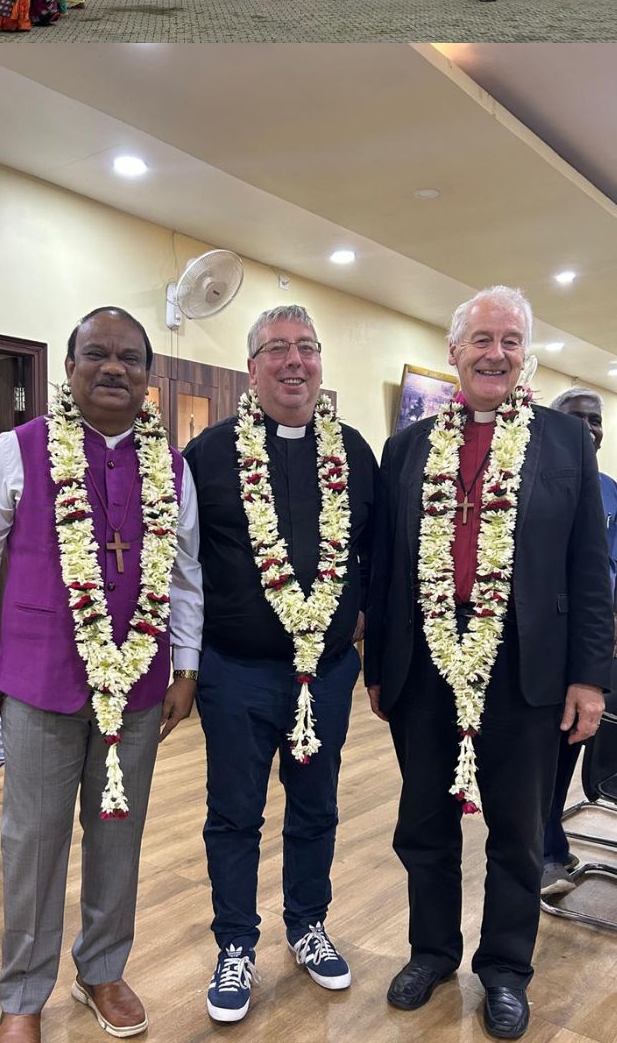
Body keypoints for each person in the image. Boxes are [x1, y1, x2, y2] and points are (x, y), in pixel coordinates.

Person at [0, 307, 203, 1043]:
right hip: (36, 678)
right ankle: (22, 994)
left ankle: (100, 970)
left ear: (149, 377)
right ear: (68, 369)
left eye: (129, 357)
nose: (113, 368)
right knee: (31, 838)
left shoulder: (173, 467)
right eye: (96, 353)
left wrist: (185, 664)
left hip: (139, 685)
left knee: (117, 832)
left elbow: (185, 575)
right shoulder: (19, 447)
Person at [365, 286, 611, 1039]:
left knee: (516, 828)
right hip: (426, 663)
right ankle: (431, 951)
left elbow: (586, 573)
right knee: (424, 822)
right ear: (453, 352)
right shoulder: (406, 448)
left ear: (524, 354)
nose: (494, 353)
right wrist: (379, 667)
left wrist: (589, 678)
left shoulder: (563, 444)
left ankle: (504, 970)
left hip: (527, 666)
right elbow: (383, 566)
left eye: (509, 340)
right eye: (480, 339)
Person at [184, 307, 378, 1022]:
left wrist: (363, 632)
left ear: (319, 362)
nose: (293, 362)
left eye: (305, 349)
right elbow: (182, 566)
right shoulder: (207, 454)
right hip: (236, 671)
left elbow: (375, 556)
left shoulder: (354, 452)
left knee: (316, 807)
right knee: (233, 815)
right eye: (276, 351)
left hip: (325, 674)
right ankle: (235, 942)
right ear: (251, 366)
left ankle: (307, 925)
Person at [540, 388, 617, 890]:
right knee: (541, 755)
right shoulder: (535, 480)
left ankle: (549, 843)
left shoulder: (611, 489)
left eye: (596, 419)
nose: (587, 428)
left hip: (595, 645)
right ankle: (545, 849)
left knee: (572, 743)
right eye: (576, 418)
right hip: (543, 644)